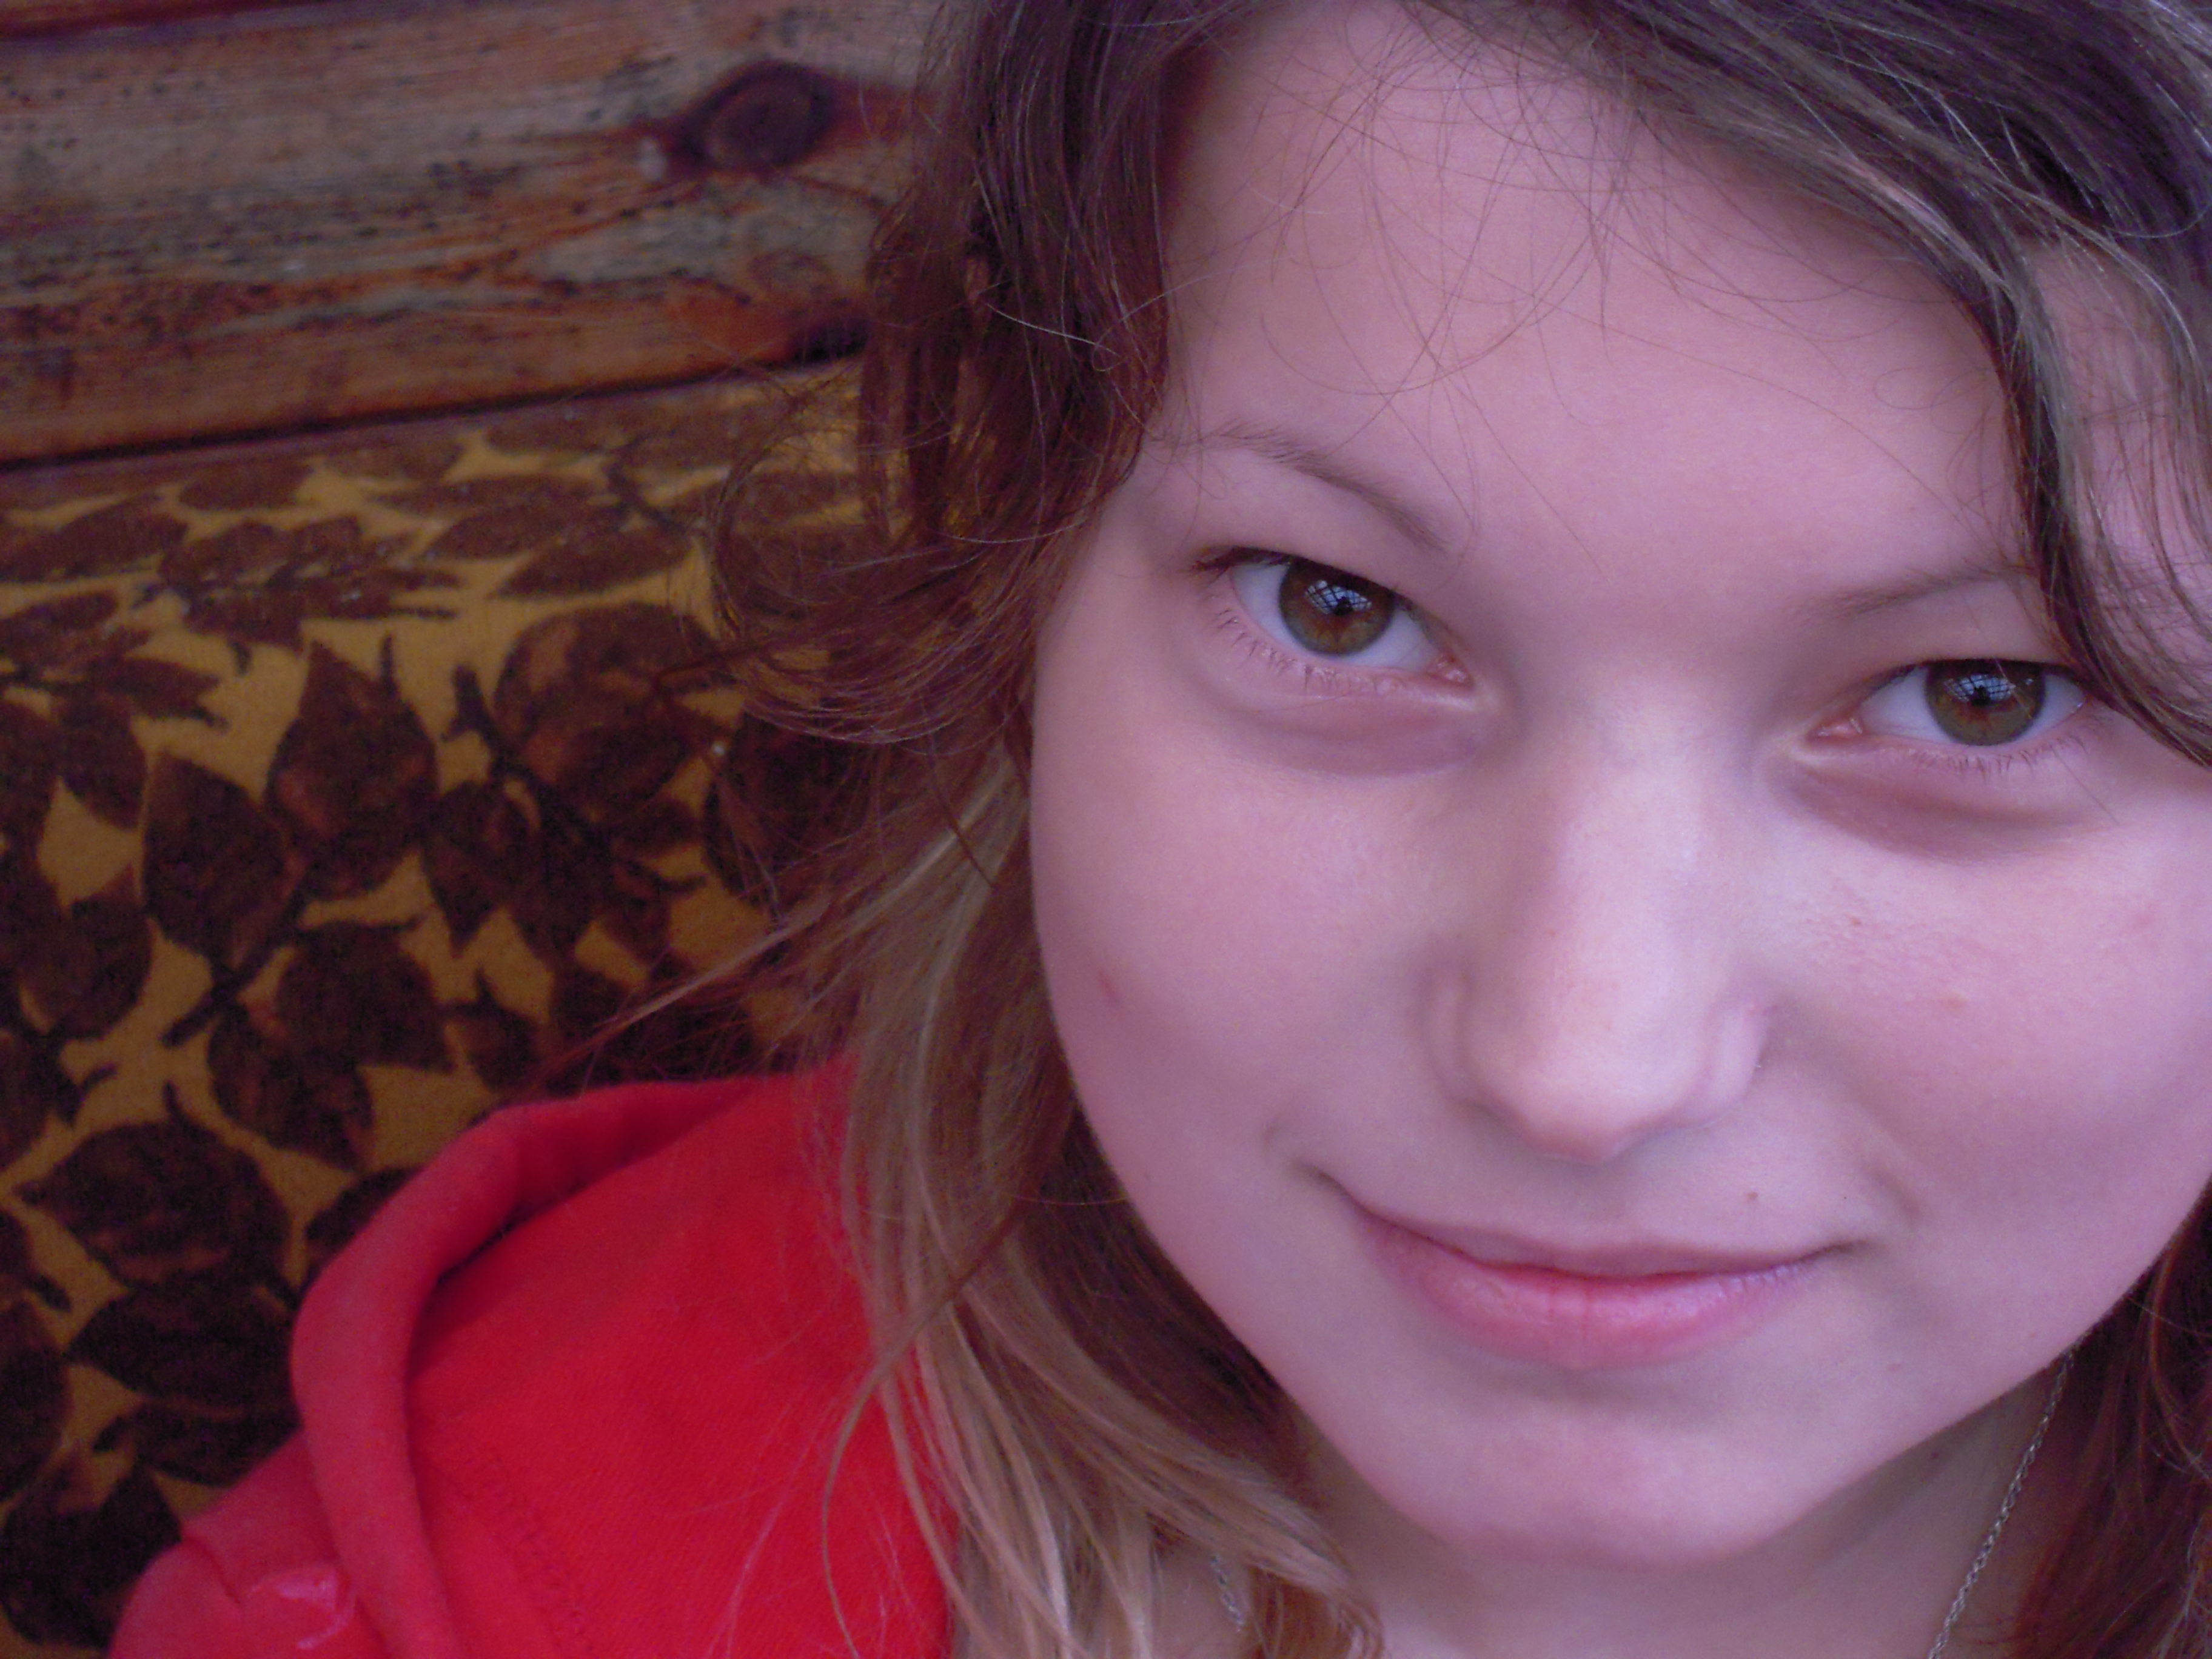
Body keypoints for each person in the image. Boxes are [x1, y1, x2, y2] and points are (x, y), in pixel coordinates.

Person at [114, 1, 2212, 1655]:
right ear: (1019, 583)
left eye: (1985, 694)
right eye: (1338, 610)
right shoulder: (474, 1578)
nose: (1581, 1069)